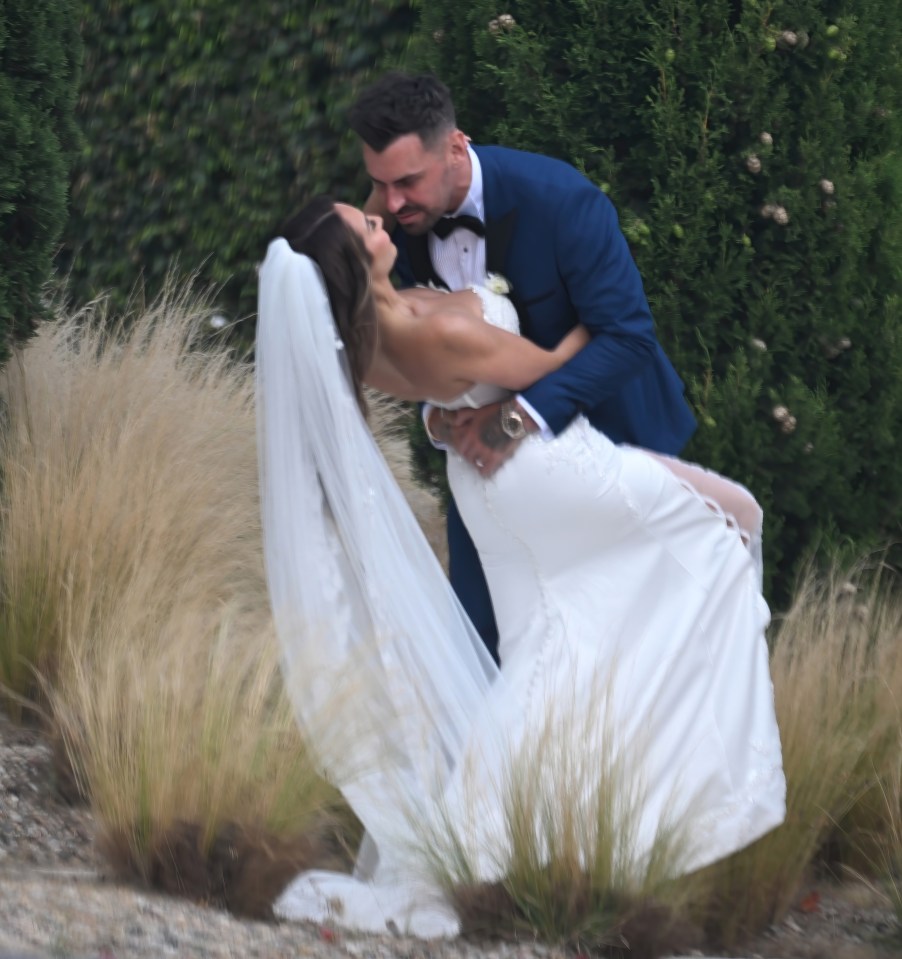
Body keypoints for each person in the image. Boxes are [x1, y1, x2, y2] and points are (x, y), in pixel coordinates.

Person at [255, 197, 786, 938]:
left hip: (492, 483)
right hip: (541, 467)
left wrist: (449, 418)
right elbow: (556, 369)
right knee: (734, 519)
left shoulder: (372, 333)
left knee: (555, 641)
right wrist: (600, 317)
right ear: (352, 260)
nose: (381, 220)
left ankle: (521, 825)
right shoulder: (429, 323)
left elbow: (440, 403)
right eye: (367, 227)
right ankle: (619, 800)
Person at [348, 72, 703, 661]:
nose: (391, 203)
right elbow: (411, 350)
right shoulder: (392, 229)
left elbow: (629, 337)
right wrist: (438, 421)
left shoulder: (562, 201)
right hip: (486, 487)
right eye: (379, 184)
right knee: (481, 651)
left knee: (633, 653)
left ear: (457, 147)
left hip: (609, 450)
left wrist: (515, 418)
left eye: (407, 181)